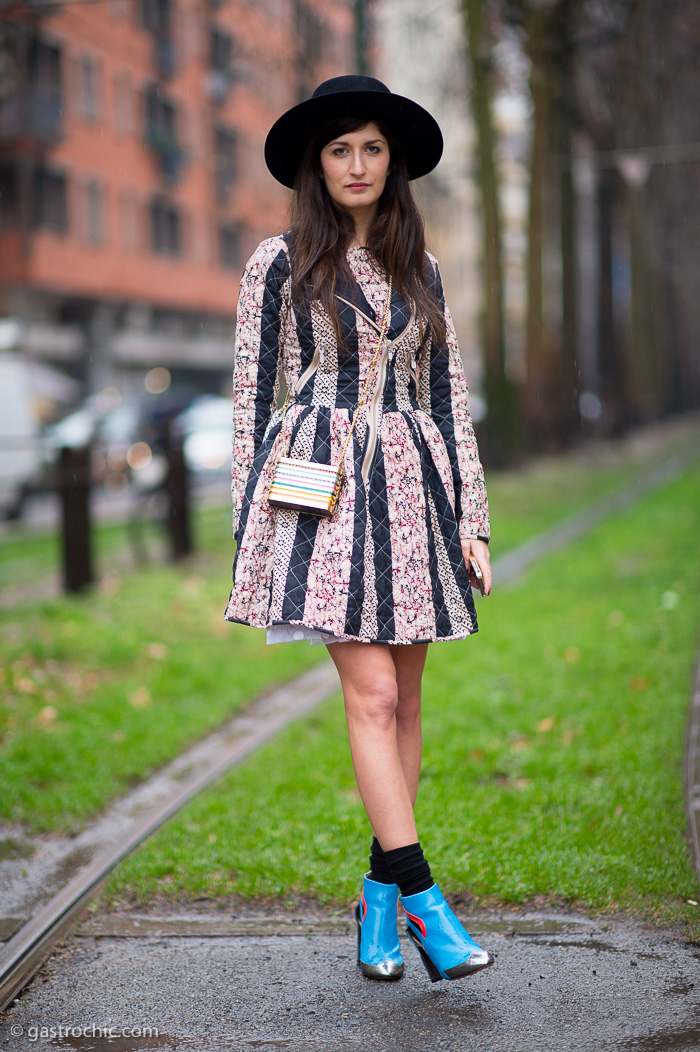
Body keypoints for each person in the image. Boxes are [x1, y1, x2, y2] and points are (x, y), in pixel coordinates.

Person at [224, 75, 493, 984]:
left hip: (413, 491)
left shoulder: (423, 270)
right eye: (340, 149)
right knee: (372, 695)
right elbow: (252, 400)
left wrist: (475, 523)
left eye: (372, 148)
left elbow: (448, 402)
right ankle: (426, 904)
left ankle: (375, 902)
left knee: (409, 702)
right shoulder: (280, 259)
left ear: (395, 162)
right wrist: (247, 537)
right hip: (318, 493)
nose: (356, 164)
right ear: (317, 163)